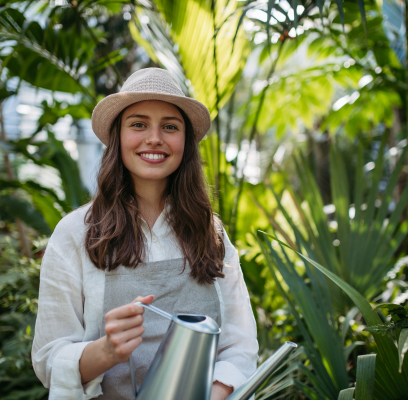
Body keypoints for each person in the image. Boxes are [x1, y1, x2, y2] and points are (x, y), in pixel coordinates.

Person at [31, 68, 258, 400]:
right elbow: (49, 360)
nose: (155, 138)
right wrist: (106, 350)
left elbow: (240, 343)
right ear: (117, 136)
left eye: (170, 126)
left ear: (186, 142)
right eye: (138, 124)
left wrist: (213, 393)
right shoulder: (74, 235)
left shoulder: (211, 231)